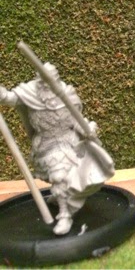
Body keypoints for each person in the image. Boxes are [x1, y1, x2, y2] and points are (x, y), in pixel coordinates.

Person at [0, 63, 114, 235]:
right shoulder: (30, 93)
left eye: (51, 80)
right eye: (43, 80)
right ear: (38, 79)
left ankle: (64, 210)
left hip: (70, 141)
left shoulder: (67, 94)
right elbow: (9, 98)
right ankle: (63, 204)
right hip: (47, 145)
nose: (47, 84)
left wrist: (87, 129)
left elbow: (76, 121)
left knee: (70, 176)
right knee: (58, 176)